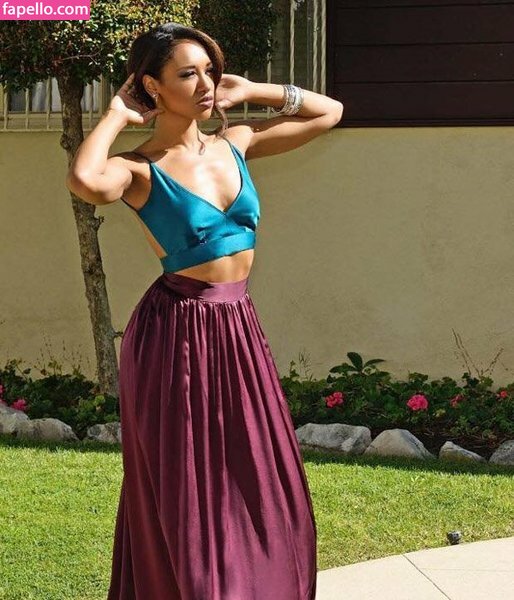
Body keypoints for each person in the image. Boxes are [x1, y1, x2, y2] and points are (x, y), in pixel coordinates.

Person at [66, 21, 343, 600]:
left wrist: (256, 90)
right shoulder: (140, 168)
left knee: (260, 472)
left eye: (209, 71)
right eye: (187, 74)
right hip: (177, 330)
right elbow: (86, 179)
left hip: (237, 324)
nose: (205, 84)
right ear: (153, 86)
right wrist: (117, 114)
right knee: (188, 483)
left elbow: (329, 112)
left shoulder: (235, 141)